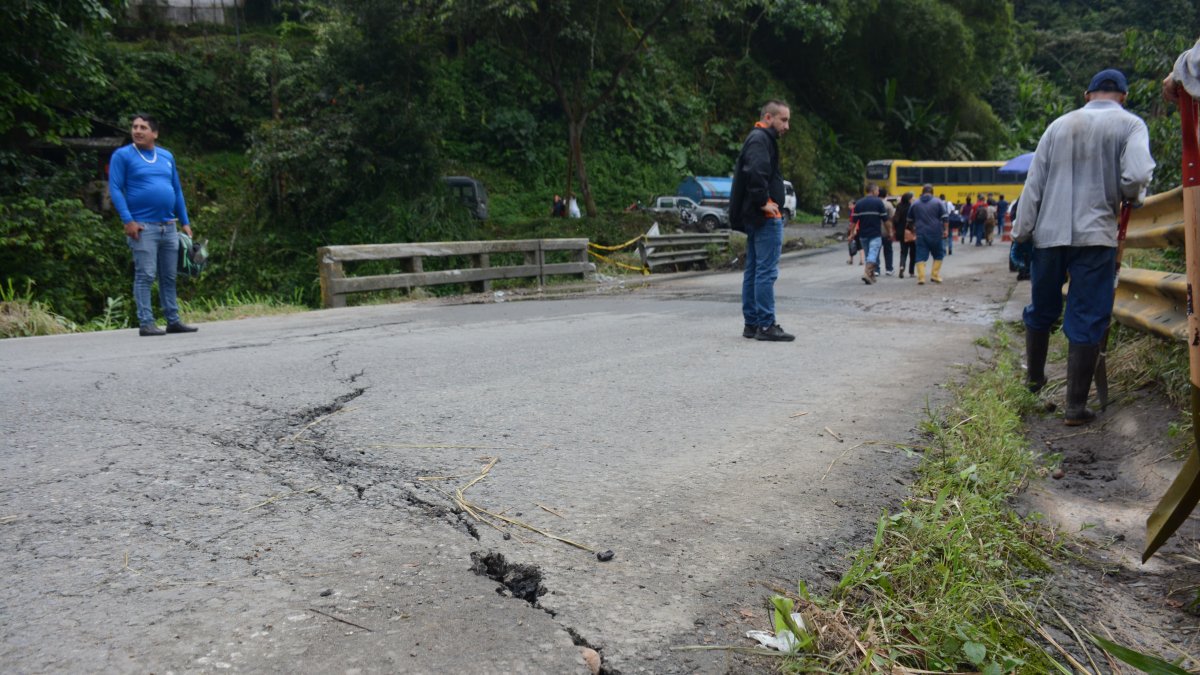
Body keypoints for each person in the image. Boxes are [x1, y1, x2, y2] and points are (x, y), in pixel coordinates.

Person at [1014, 68, 1155, 425]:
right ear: (1123, 96)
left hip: (1049, 233)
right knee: (1088, 315)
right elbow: (1137, 176)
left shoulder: (1057, 126)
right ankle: (1075, 407)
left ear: (1087, 94)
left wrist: (1021, 233)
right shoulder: (1131, 125)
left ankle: (1033, 381)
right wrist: (1131, 196)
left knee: (1042, 308)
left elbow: (1034, 185)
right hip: (1096, 237)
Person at [108, 113, 198, 337]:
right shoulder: (123, 156)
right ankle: (146, 322)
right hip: (142, 226)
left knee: (169, 276)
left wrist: (185, 222)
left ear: (154, 133)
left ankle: (173, 320)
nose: (137, 131)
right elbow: (116, 188)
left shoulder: (166, 156)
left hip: (168, 226)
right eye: (135, 127)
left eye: (143, 127)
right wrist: (128, 220)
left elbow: (176, 190)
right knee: (146, 274)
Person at [730, 100, 794, 342]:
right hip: (764, 217)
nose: (787, 126)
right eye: (784, 120)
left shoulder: (759, 138)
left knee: (755, 270)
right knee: (765, 272)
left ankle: (753, 324)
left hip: (757, 217)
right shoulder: (760, 139)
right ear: (769, 117)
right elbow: (755, 171)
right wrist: (763, 202)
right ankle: (766, 324)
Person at [906, 184, 948, 284]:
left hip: (920, 233)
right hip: (936, 232)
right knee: (938, 254)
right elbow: (945, 218)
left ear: (922, 192)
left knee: (920, 255)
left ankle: (921, 278)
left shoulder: (915, 204)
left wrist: (913, 230)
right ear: (932, 192)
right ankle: (935, 275)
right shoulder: (938, 202)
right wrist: (946, 230)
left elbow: (909, 220)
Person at [850, 184, 888, 284]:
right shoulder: (878, 202)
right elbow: (885, 219)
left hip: (863, 234)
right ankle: (867, 273)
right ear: (874, 191)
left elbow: (853, 221)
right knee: (873, 254)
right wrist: (890, 231)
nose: (878, 192)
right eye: (877, 190)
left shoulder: (859, 203)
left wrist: (851, 233)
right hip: (875, 234)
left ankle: (871, 276)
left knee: (869, 255)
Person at [895, 192, 915, 278]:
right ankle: (911, 272)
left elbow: (895, 220)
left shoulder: (899, 206)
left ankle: (902, 266)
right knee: (913, 252)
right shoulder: (912, 207)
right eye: (912, 198)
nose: (913, 199)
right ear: (909, 199)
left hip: (901, 233)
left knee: (903, 252)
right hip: (911, 232)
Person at [879, 188, 896, 275]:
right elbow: (892, 217)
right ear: (886, 195)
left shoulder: (875, 204)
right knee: (888, 250)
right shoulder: (888, 204)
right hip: (886, 230)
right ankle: (889, 269)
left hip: (876, 230)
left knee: (876, 251)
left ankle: (876, 270)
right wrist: (891, 230)